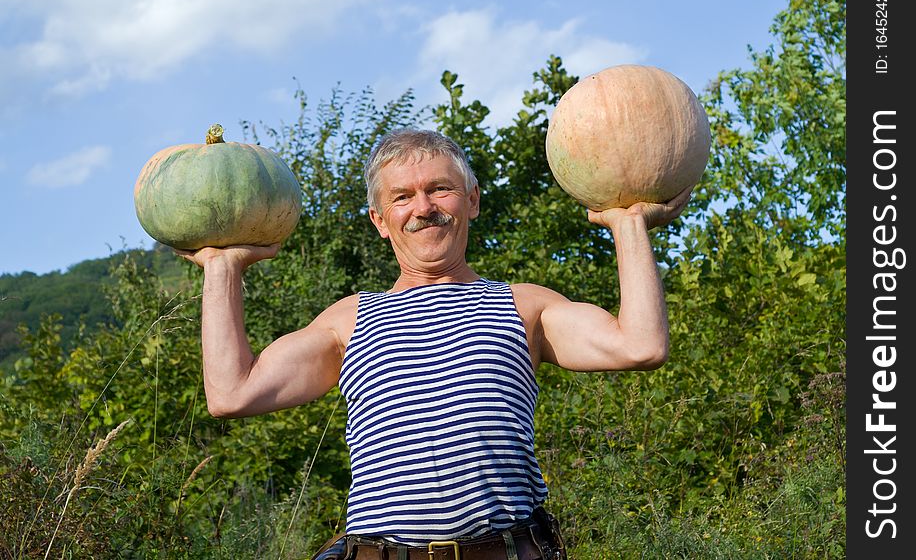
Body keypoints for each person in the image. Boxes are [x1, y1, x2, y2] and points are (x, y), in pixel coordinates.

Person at [177, 128, 692, 560]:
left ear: (471, 200)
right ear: (381, 221)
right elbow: (232, 394)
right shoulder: (350, 320)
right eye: (401, 197)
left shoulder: (524, 306)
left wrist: (628, 223)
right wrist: (223, 266)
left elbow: (640, 346)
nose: (423, 208)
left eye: (439, 190)